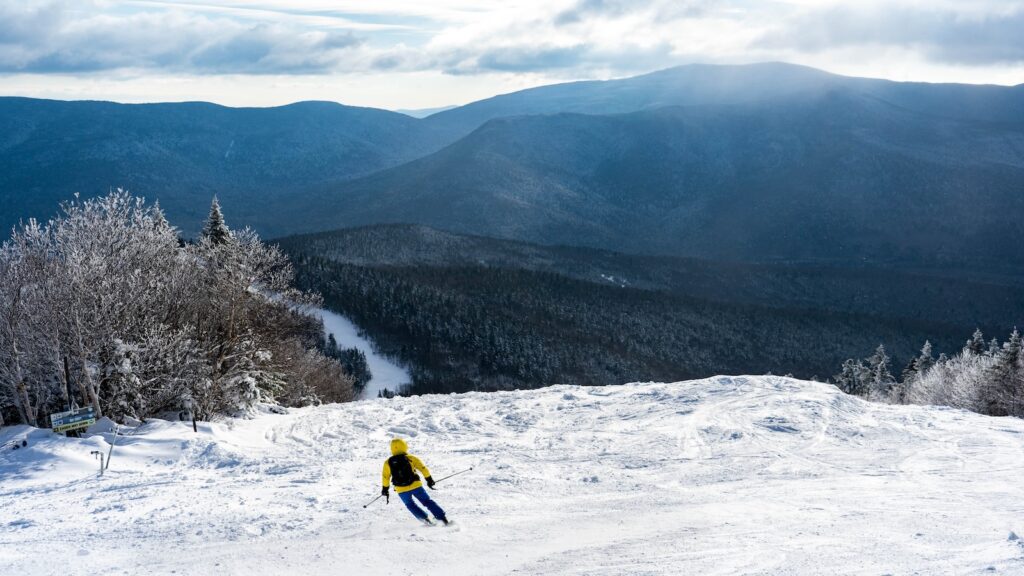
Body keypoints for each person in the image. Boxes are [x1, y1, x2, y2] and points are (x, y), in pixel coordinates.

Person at [381, 438, 449, 525]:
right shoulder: (411, 458)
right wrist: (429, 479)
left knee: (410, 505)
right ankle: (443, 519)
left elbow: (385, 477)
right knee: (427, 501)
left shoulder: (388, 462)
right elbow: (423, 469)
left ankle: (426, 521)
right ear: (404, 446)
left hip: (401, 490)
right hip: (416, 486)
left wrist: (385, 489)